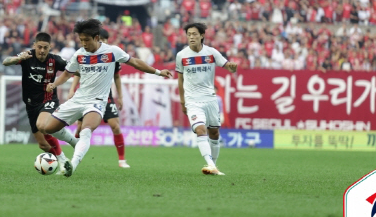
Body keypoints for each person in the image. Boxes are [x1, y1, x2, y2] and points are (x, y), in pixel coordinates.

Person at [40, 19, 172, 178]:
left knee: (86, 131)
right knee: (48, 128)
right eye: (81, 40)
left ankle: (72, 165)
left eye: (86, 40)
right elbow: (68, 74)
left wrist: (158, 72)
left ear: (96, 38)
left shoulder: (112, 51)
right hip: (78, 99)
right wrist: (54, 84)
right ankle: (74, 143)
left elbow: (136, 62)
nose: (84, 44)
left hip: (97, 102)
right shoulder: (79, 54)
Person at [2, 32, 70, 171]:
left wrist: (57, 83)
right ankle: (62, 161)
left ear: (50, 47)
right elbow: (6, 61)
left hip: (48, 100)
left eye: (45, 47)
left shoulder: (55, 60)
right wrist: (17, 59)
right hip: (31, 104)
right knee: (43, 145)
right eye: (39, 47)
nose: (42, 50)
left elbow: (73, 69)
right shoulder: (27, 56)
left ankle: (63, 158)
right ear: (34, 45)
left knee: (42, 125)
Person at [176, 22, 238, 176]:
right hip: (192, 100)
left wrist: (232, 67)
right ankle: (210, 164)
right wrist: (183, 101)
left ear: (202, 35)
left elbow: (227, 66)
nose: (191, 37)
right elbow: (180, 80)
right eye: (189, 34)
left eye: (194, 34)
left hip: (210, 99)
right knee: (200, 129)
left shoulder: (211, 53)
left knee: (214, 133)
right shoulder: (181, 55)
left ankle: (213, 165)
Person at [69, 28, 129, 168]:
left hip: (105, 96)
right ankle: (77, 155)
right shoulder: (86, 55)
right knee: (79, 129)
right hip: (86, 96)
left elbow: (117, 76)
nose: (104, 42)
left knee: (115, 125)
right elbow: (77, 73)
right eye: (102, 40)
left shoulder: (112, 55)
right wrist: (72, 89)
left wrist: (120, 96)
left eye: (106, 40)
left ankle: (122, 160)